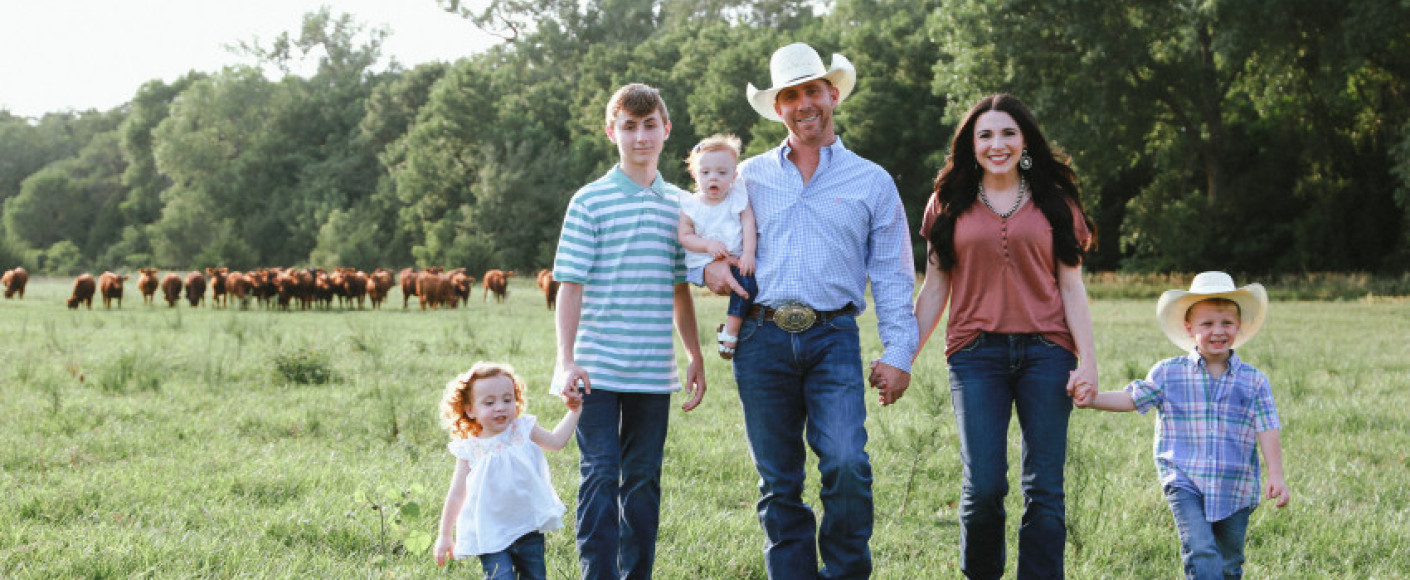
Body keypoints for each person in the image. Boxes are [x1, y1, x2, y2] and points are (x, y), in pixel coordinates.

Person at [703, 42, 919, 579]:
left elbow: (893, 275)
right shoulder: (745, 177)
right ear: (779, 107)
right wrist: (704, 270)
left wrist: (899, 353)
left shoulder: (873, 181)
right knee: (778, 480)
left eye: (813, 91)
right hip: (760, 338)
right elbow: (698, 238)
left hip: (833, 336)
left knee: (847, 463)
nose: (804, 104)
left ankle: (845, 573)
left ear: (832, 95)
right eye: (791, 95)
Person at [912, 93, 1098, 578]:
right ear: (971, 145)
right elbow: (935, 288)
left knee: (1046, 489)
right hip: (975, 356)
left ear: (1025, 141)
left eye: (1008, 133)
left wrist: (1088, 362)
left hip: (1047, 353)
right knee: (984, 488)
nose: (998, 144)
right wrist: (901, 356)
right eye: (986, 135)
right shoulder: (948, 204)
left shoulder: (1056, 204)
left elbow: (1072, 287)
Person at [551, 82, 707, 579]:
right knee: (600, 473)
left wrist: (694, 353)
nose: (640, 137)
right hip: (596, 368)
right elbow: (569, 286)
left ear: (666, 130)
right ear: (611, 132)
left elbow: (681, 287)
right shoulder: (589, 201)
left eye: (649, 126)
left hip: (651, 372)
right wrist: (565, 358)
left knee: (642, 479)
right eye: (629, 127)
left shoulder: (683, 206)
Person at [1072, 272, 1290, 579]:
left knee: (1229, 564)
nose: (1218, 331)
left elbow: (1267, 426)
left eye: (1226, 323)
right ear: (1189, 328)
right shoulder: (1168, 373)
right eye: (1207, 324)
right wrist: (1093, 398)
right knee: (1200, 551)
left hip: (1236, 486)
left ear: (1239, 327)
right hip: (1185, 479)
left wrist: (1276, 475)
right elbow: (1133, 398)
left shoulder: (1253, 380)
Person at [433, 362, 583, 579]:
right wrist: (445, 535)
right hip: (491, 533)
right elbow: (456, 495)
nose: (501, 407)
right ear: (470, 410)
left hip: (527, 528)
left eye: (507, 399)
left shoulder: (522, 429)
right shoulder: (471, 449)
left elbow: (556, 442)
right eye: (489, 402)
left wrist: (575, 411)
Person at [678, 133, 758, 359]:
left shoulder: (736, 197)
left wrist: (749, 253)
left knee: (748, 282)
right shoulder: (691, 205)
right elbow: (685, 236)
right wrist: (707, 245)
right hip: (704, 260)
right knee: (744, 285)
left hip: (737, 257)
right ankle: (732, 332)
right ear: (695, 175)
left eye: (722, 173)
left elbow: (748, 221)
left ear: (734, 176)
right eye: (705, 173)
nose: (713, 178)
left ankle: (730, 329)